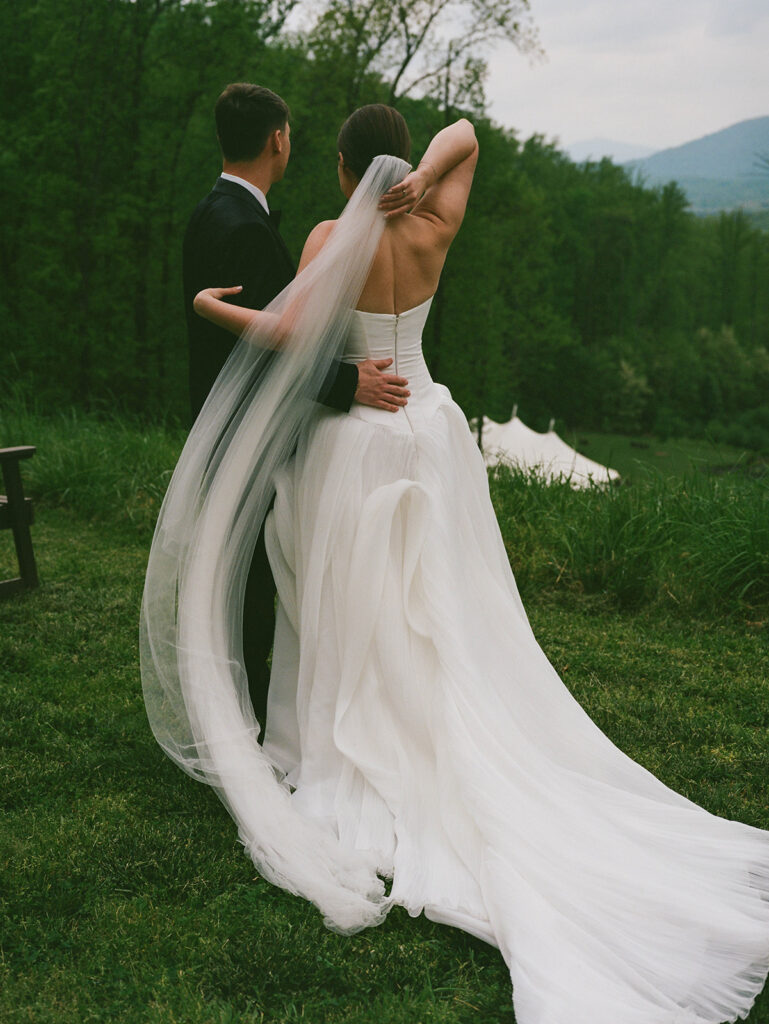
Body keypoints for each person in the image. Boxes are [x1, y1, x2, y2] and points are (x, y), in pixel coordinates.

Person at [143, 106, 769, 1024]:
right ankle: (432, 711)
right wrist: (422, 169)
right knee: (441, 604)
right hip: (428, 431)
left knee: (350, 606)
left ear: (345, 168)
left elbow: (293, 339)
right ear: (403, 172)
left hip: (355, 443)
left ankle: (350, 739)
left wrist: (214, 308)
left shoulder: (328, 234)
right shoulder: (436, 223)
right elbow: (467, 132)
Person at [182, 84, 410, 731]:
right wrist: (346, 385)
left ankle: (232, 700)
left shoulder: (208, 211)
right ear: (277, 140)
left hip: (215, 418)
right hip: (247, 432)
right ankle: (245, 711)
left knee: (236, 568)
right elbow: (283, 346)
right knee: (253, 578)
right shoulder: (246, 230)